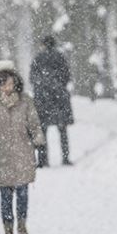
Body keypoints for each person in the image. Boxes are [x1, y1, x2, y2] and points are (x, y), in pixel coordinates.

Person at [0, 68, 45, 234]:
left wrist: (39, 145)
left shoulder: (26, 102)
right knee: (5, 195)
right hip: (0, 154)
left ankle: (22, 226)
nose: (7, 87)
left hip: (23, 153)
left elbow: (34, 124)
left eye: (11, 83)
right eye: (4, 84)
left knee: (23, 193)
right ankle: (8, 229)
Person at [28, 35, 74, 167]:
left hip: (43, 99)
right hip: (60, 98)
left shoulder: (37, 59)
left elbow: (32, 78)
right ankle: (65, 158)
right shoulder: (60, 58)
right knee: (62, 129)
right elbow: (67, 76)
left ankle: (43, 160)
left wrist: (42, 88)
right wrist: (58, 87)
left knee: (43, 130)